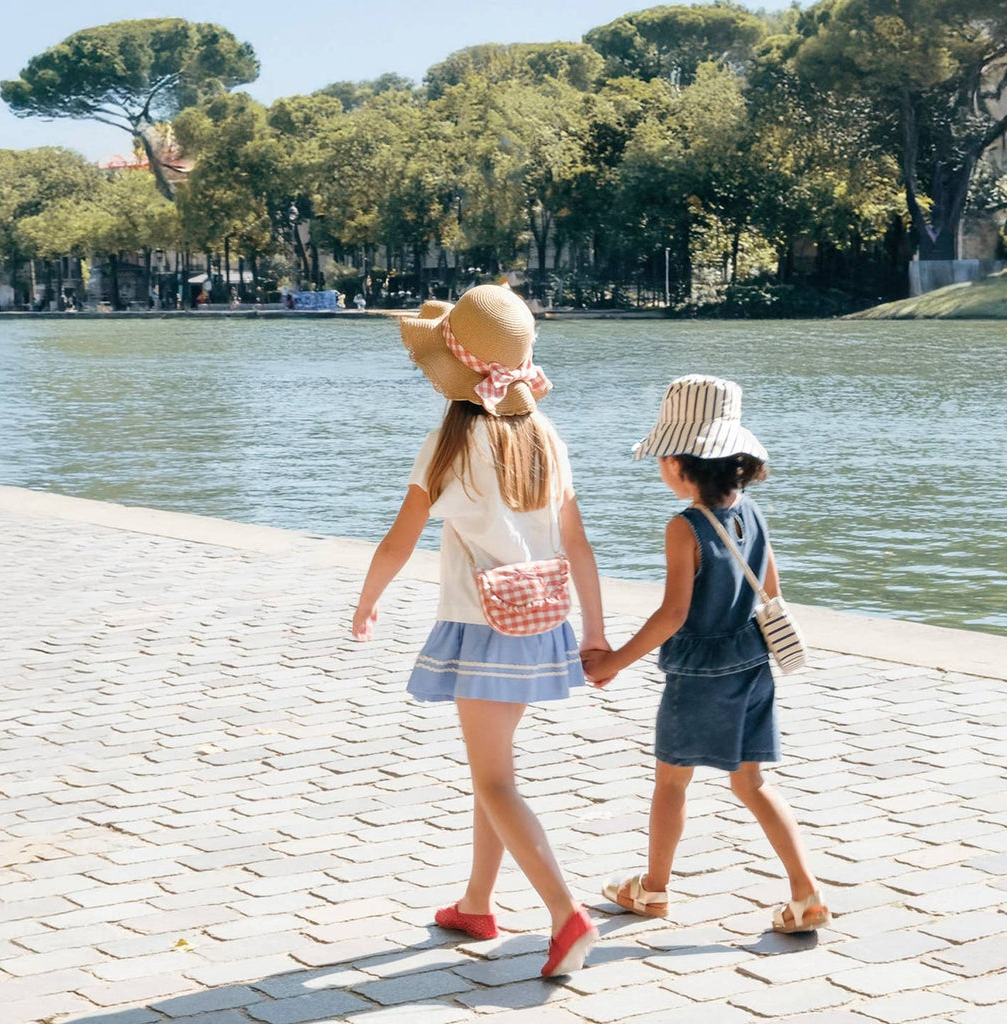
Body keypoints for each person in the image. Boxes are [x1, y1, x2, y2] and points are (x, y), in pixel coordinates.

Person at [353, 285, 606, 976]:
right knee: (493, 771)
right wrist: (596, 631)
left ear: (453, 371)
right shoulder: (547, 436)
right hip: (542, 621)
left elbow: (399, 540)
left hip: (481, 622)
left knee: (495, 780)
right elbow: (579, 545)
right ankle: (476, 902)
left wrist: (367, 602)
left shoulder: (451, 439)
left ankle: (566, 915)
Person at [583, 375, 830, 935]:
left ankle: (653, 890)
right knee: (752, 782)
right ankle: (806, 892)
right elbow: (773, 594)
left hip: (700, 676)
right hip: (753, 664)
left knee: (672, 782)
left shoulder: (684, 526)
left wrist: (613, 661)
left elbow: (673, 614)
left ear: (678, 461)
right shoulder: (755, 514)